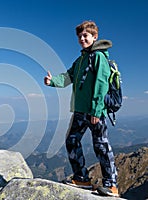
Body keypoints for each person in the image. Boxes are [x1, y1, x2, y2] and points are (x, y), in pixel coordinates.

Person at [44, 21, 119, 197]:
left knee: (101, 146)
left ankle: (111, 185)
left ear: (95, 37)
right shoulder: (80, 60)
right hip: (79, 110)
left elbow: (101, 84)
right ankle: (82, 178)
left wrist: (97, 110)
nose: (82, 39)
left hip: (95, 111)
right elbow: (69, 76)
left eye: (85, 35)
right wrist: (52, 81)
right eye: (79, 36)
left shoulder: (99, 57)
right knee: (72, 141)